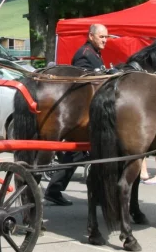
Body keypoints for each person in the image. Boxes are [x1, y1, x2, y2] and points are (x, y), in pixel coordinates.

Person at [42, 24, 109, 206]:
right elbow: (82, 82)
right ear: (91, 36)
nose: (105, 40)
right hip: (83, 111)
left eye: (106, 37)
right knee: (79, 154)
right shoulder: (84, 54)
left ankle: (54, 190)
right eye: (102, 37)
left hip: (87, 111)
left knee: (76, 155)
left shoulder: (93, 53)